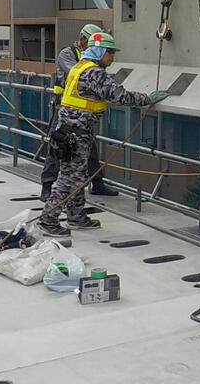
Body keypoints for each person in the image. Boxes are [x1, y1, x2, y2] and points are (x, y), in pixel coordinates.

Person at [38, 32, 169, 237]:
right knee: (68, 180)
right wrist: (147, 99)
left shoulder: (80, 67)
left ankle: (76, 217)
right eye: (110, 53)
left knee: (77, 177)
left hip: (69, 131)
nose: (112, 58)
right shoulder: (94, 73)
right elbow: (120, 95)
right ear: (100, 51)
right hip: (76, 133)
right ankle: (48, 219)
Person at [40, 23, 118, 200]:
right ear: (83, 40)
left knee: (88, 145)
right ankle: (47, 185)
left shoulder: (89, 60)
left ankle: (96, 182)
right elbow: (79, 74)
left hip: (83, 111)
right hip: (64, 109)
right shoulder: (68, 54)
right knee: (57, 146)